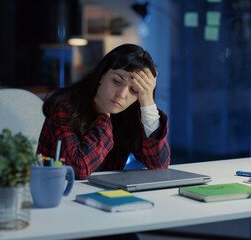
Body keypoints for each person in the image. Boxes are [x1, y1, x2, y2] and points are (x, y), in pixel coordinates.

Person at [37, 43, 170, 180]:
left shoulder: (128, 114)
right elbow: (78, 168)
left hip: (105, 194)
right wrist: (104, 116)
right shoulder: (65, 107)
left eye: (134, 90)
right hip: (61, 193)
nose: (122, 94)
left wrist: (147, 104)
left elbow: (159, 166)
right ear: (102, 76)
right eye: (117, 81)